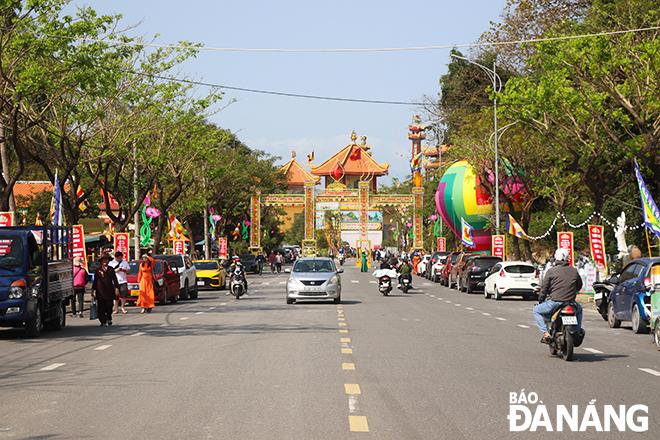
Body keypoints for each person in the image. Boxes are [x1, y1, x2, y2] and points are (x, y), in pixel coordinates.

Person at [533, 248, 583, 344]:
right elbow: (579, 286)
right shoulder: (574, 271)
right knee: (579, 310)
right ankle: (577, 330)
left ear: (556, 258)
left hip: (555, 302)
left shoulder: (551, 271)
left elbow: (544, 288)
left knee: (536, 310)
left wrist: (541, 299)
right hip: (571, 302)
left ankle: (546, 333)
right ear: (568, 258)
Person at [91, 253, 120, 326]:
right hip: (100, 290)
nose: (105, 261)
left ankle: (109, 318)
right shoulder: (98, 270)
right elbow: (95, 281)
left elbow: (115, 279)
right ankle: (102, 321)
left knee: (109, 306)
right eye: (103, 260)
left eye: (106, 260)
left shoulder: (111, 269)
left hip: (109, 290)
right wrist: (92, 289)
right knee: (101, 307)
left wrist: (117, 288)